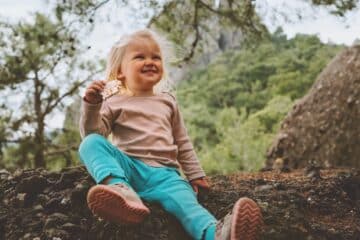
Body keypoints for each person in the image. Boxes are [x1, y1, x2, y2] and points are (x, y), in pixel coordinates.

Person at [78, 29, 263, 240]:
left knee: (189, 209)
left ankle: (219, 234)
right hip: (129, 169)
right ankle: (121, 192)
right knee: (90, 143)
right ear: (120, 71)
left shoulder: (167, 101)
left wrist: (195, 174)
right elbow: (94, 133)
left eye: (155, 57)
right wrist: (92, 105)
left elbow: (182, 141)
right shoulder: (112, 101)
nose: (150, 61)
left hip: (167, 177)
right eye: (140, 57)